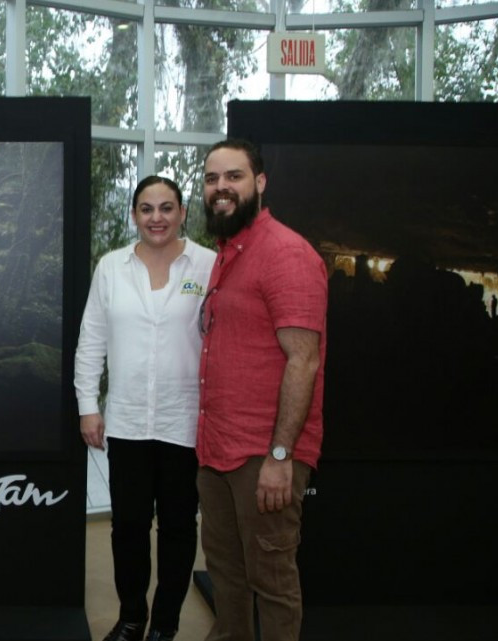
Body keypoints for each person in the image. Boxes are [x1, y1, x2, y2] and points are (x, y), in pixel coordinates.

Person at [195, 139, 328, 641]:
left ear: (260, 183)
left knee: (271, 583)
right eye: (212, 179)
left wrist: (279, 456)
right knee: (227, 577)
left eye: (234, 176)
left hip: (264, 456)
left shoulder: (286, 253)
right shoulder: (228, 254)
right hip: (218, 451)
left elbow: (304, 360)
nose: (221, 188)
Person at [76, 176, 216, 641]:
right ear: (133, 214)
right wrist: (87, 406)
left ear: (182, 213)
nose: (156, 217)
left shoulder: (210, 266)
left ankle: (166, 625)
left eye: (166, 208)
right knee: (129, 528)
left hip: (186, 422)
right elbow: (91, 340)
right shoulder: (111, 267)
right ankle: (132, 617)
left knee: (178, 528)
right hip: (129, 422)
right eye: (146, 208)